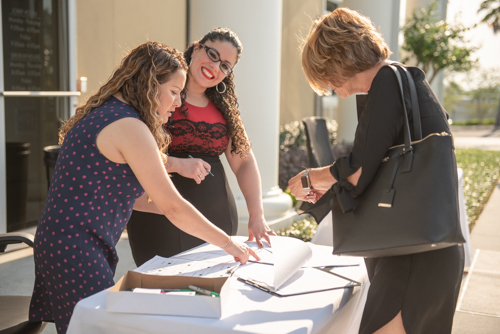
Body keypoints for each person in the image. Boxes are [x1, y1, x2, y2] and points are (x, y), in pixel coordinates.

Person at [28, 41, 258, 334]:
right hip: (75, 246)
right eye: (174, 92)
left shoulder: (108, 113)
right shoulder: (129, 126)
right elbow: (172, 206)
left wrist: (190, 218)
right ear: (150, 84)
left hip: (65, 241)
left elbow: (130, 197)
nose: (177, 103)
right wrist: (228, 243)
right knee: (99, 329)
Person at [288, 8, 464, 334]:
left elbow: (357, 170)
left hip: (411, 258)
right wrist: (331, 183)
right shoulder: (403, 81)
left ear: (336, 58)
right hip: (422, 248)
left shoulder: (389, 83)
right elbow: (376, 169)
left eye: (323, 74)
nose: (326, 86)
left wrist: (311, 177)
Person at [127, 28, 274, 266]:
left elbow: (244, 161)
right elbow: (135, 152)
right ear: (196, 48)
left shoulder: (226, 111)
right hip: (157, 218)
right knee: (160, 295)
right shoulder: (158, 95)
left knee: (210, 296)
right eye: (213, 55)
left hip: (217, 218)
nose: (216, 67)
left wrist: (257, 215)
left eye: (225, 65)